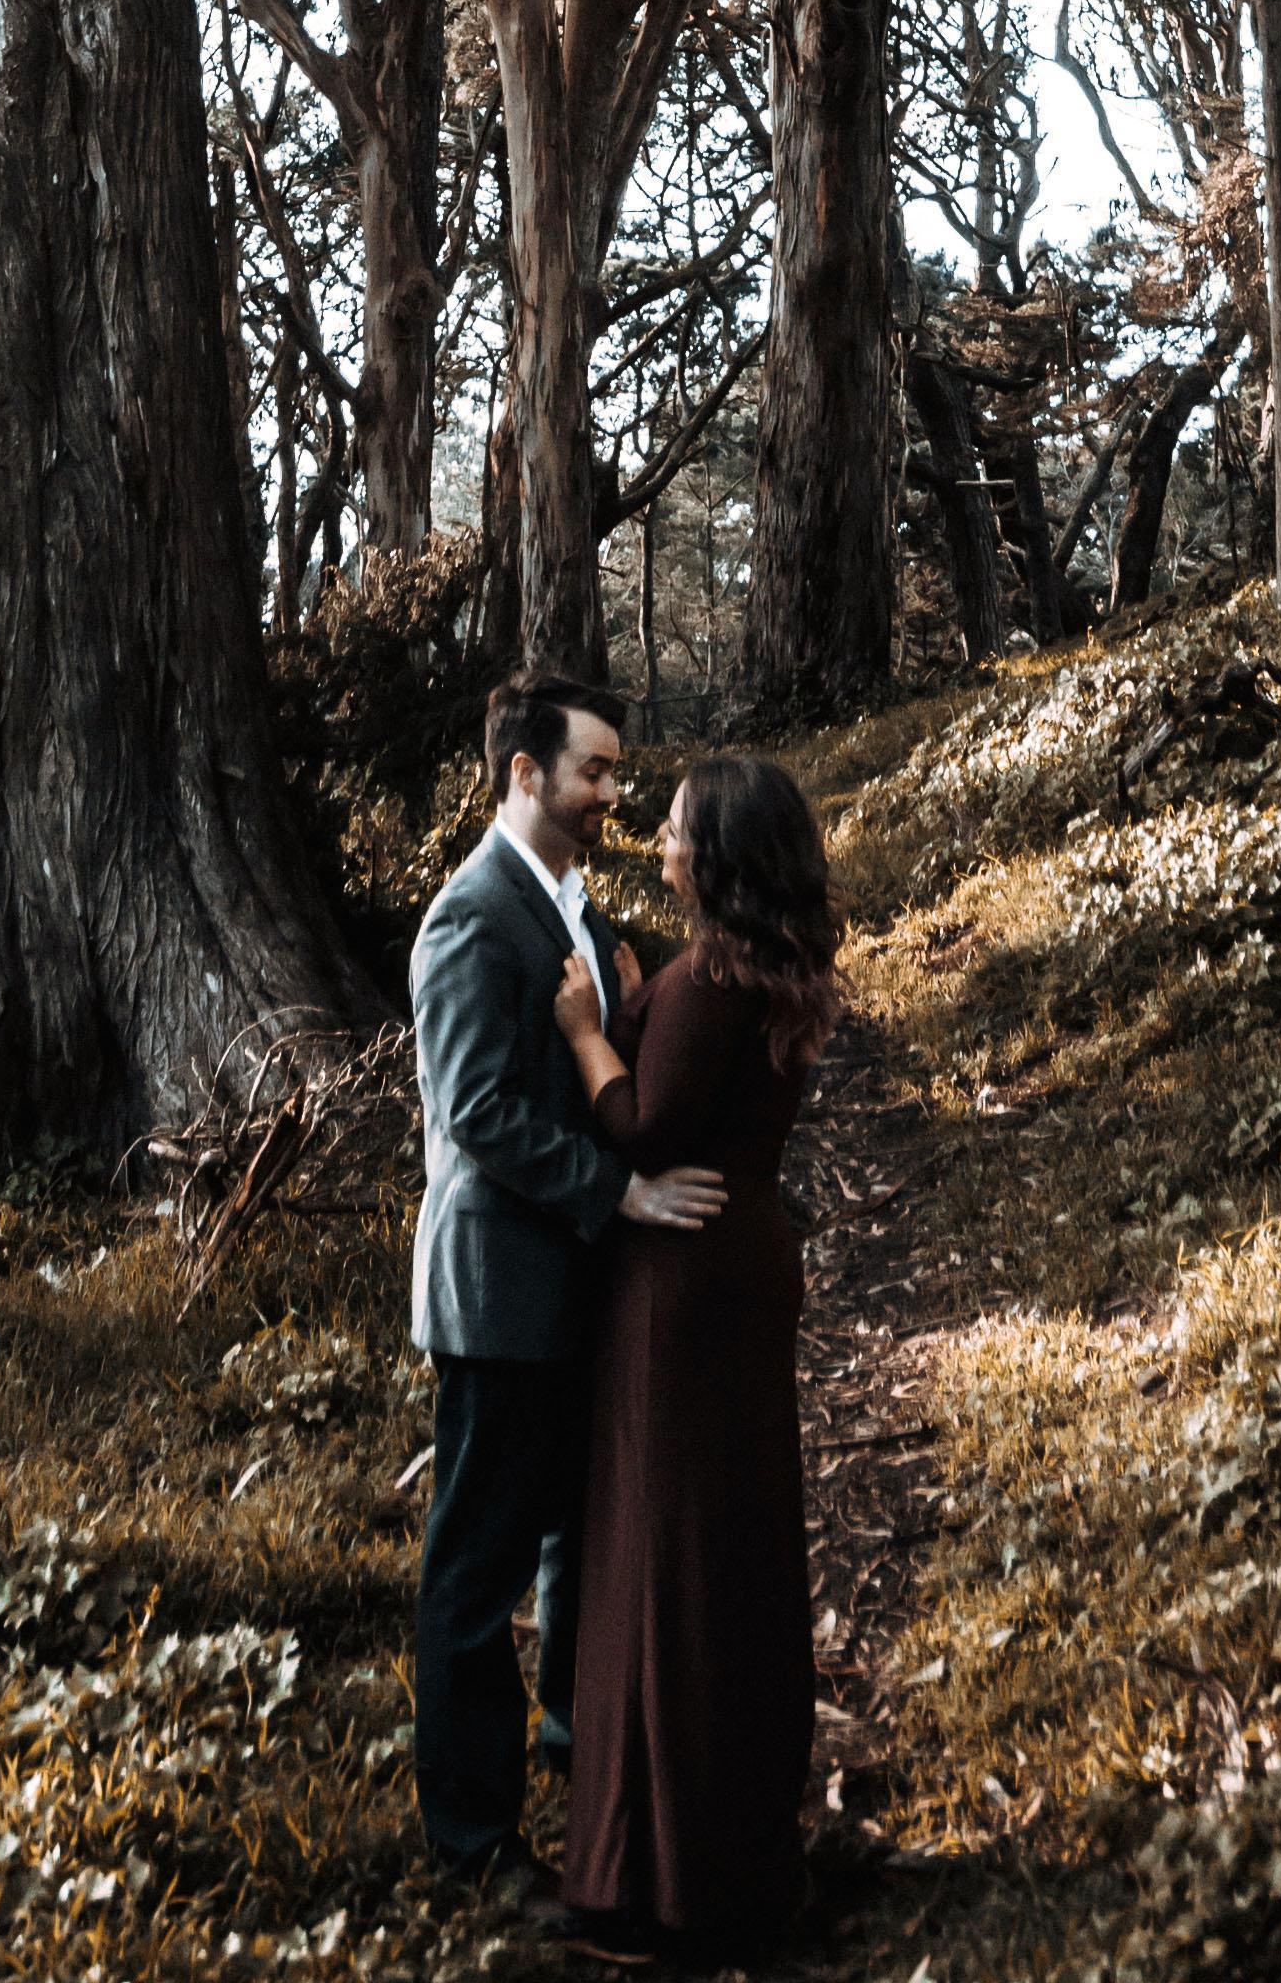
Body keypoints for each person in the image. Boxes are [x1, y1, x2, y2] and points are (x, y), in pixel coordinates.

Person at [413, 672, 731, 1885]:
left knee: (574, 1530)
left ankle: (568, 1734)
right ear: (524, 774)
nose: (613, 791)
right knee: (474, 1569)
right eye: (594, 770)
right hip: (499, 1290)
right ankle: (472, 1840)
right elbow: (477, 1109)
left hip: (573, 1285)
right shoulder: (469, 915)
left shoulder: (568, 903)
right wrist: (621, 1194)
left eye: (613, 771)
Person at [549, 752, 839, 1968]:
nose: (655, 840)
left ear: (714, 854)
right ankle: (738, 1842)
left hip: (683, 1283)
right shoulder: (756, 969)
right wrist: (635, 1001)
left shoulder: (712, 977)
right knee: (733, 1540)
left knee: (668, 1557)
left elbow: (647, 1127)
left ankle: (663, 1881)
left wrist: (583, 1034)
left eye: (672, 829)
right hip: (745, 1262)